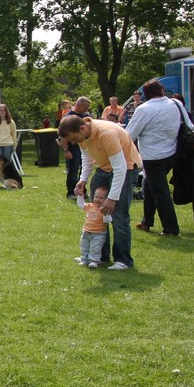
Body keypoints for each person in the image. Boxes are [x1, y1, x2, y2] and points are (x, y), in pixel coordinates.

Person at [58, 112, 142, 270]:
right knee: (97, 213)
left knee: (119, 216)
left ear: (83, 128)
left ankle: (123, 260)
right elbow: (87, 158)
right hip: (104, 168)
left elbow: (120, 168)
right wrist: (83, 180)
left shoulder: (106, 134)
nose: (74, 143)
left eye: (74, 139)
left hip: (127, 168)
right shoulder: (83, 136)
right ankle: (99, 257)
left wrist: (112, 198)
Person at [126, 79, 192, 236]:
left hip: (153, 157)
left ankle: (171, 228)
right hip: (174, 153)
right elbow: (189, 126)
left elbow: (129, 134)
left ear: (145, 94)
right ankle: (147, 221)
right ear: (162, 91)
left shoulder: (144, 109)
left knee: (161, 192)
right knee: (149, 186)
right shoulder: (175, 103)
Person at [60, 97, 91, 198]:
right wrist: (66, 150)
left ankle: (82, 190)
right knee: (73, 170)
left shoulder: (85, 117)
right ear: (80, 105)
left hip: (84, 147)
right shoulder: (68, 117)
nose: (87, 109)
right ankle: (71, 192)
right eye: (86, 106)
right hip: (73, 147)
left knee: (84, 169)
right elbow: (63, 136)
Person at [73, 186, 111, 268]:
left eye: (101, 198)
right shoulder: (90, 206)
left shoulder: (104, 210)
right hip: (86, 232)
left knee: (95, 248)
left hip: (98, 234)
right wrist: (80, 195)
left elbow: (108, 220)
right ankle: (84, 259)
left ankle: (94, 261)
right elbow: (81, 205)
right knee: (84, 246)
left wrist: (106, 214)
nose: (98, 199)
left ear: (106, 200)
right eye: (96, 197)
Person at [0, 103, 18, 185]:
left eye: (4, 110)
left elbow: (14, 134)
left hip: (8, 145)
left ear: (6, 111)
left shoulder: (11, 122)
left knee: (5, 165)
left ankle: (6, 181)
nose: (2, 112)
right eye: (0, 110)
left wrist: (14, 146)